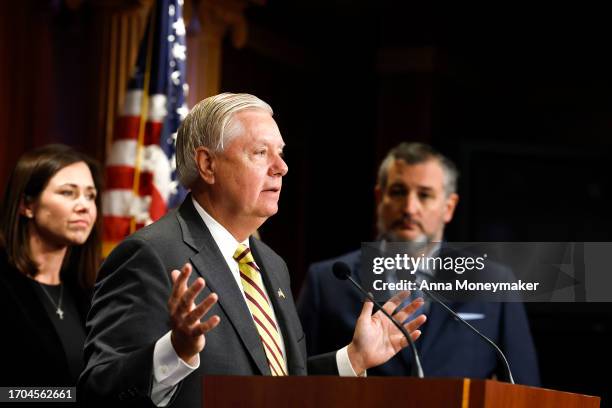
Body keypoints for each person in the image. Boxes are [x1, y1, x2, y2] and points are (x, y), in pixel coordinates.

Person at [79, 93, 426, 407]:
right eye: (261, 153)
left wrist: (353, 358)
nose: (281, 167)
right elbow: (99, 388)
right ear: (207, 165)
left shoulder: (271, 264)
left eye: (281, 153)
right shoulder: (149, 253)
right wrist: (176, 350)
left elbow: (277, 385)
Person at [297, 142, 541, 385]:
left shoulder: (493, 281)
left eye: (424, 195)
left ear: (449, 207)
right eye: (398, 192)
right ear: (380, 198)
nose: (409, 208)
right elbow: (293, 378)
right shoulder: (329, 281)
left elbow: (525, 388)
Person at [0, 144, 102, 389]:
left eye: (91, 196)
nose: (84, 206)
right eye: (68, 193)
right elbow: (8, 394)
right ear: (27, 205)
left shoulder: (91, 292)